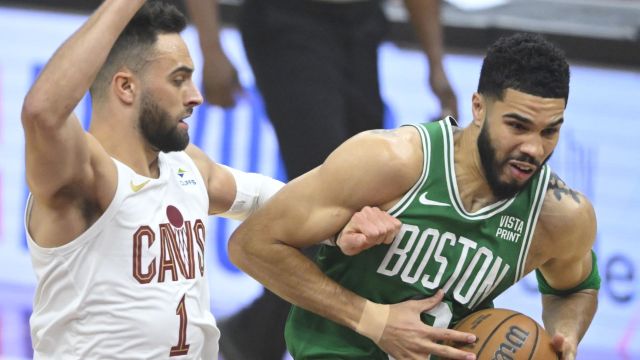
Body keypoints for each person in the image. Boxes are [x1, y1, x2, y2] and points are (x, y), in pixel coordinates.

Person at [20, 1, 399, 359]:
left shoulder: (187, 167)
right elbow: (42, 113)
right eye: (179, 80)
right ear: (126, 87)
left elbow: (278, 200)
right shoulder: (86, 177)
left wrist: (342, 227)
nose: (196, 96)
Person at [228, 32, 600, 360]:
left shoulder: (560, 215)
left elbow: (576, 289)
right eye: (518, 126)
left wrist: (565, 334)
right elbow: (253, 244)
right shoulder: (391, 161)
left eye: (549, 131)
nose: (534, 148)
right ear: (478, 107)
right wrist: (374, 321)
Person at [183, 0, 458, 358]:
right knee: (329, 210)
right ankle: (255, 340)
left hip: (361, 23)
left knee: (370, 207)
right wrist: (210, 47)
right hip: (287, 18)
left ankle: (254, 337)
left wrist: (436, 64)